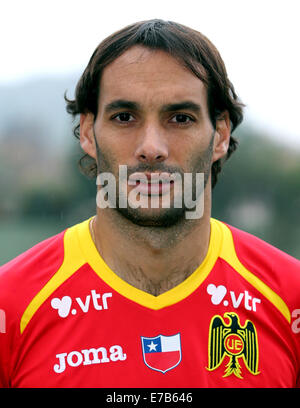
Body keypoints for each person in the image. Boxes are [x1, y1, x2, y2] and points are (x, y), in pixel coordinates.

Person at [0, 19, 299, 388]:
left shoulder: (290, 298)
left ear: (220, 134)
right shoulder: (11, 306)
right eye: (124, 117)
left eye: (180, 118)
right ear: (88, 132)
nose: (152, 148)